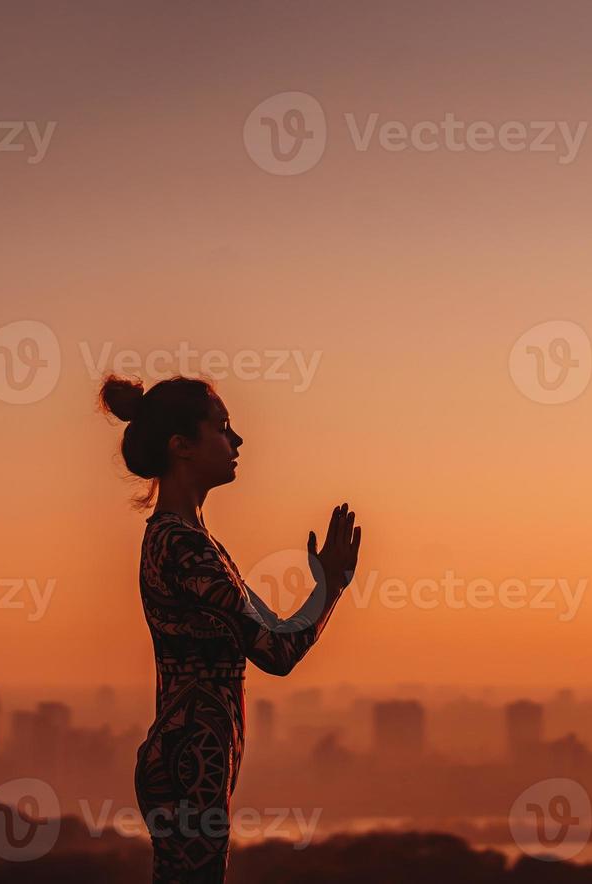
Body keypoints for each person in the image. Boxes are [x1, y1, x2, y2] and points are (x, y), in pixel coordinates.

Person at [100, 375, 361, 883]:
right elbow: (278, 652)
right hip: (190, 762)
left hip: (190, 758)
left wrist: (328, 586)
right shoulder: (185, 546)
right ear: (182, 447)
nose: (237, 441)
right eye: (222, 429)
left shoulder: (196, 543)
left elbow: (278, 634)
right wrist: (331, 586)